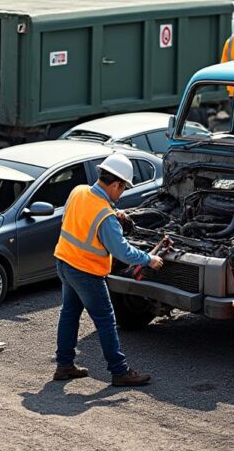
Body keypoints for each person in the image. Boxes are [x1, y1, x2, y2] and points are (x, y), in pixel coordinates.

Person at [52, 153, 166, 387]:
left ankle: (64, 366)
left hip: (64, 262)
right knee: (105, 320)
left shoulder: (79, 191)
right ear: (116, 184)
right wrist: (149, 259)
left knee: (69, 315)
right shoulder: (105, 216)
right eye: (123, 189)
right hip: (86, 272)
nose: (121, 193)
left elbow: (78, 219)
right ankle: (119, 371)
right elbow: (123, 252)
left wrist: (113, 213)